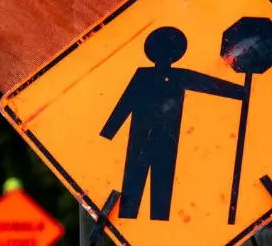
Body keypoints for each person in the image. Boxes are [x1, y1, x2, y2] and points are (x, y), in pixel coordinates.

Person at [100, 26, 246, 221]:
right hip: (141, 139)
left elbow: (208, 84)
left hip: (166, 139)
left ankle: (157, 222)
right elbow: (125, 104)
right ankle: (130, 217)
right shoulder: (144, 75)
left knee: (161, 187)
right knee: (134, 187)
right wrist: (108, 133)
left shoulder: (178, 75)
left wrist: (241, 92)